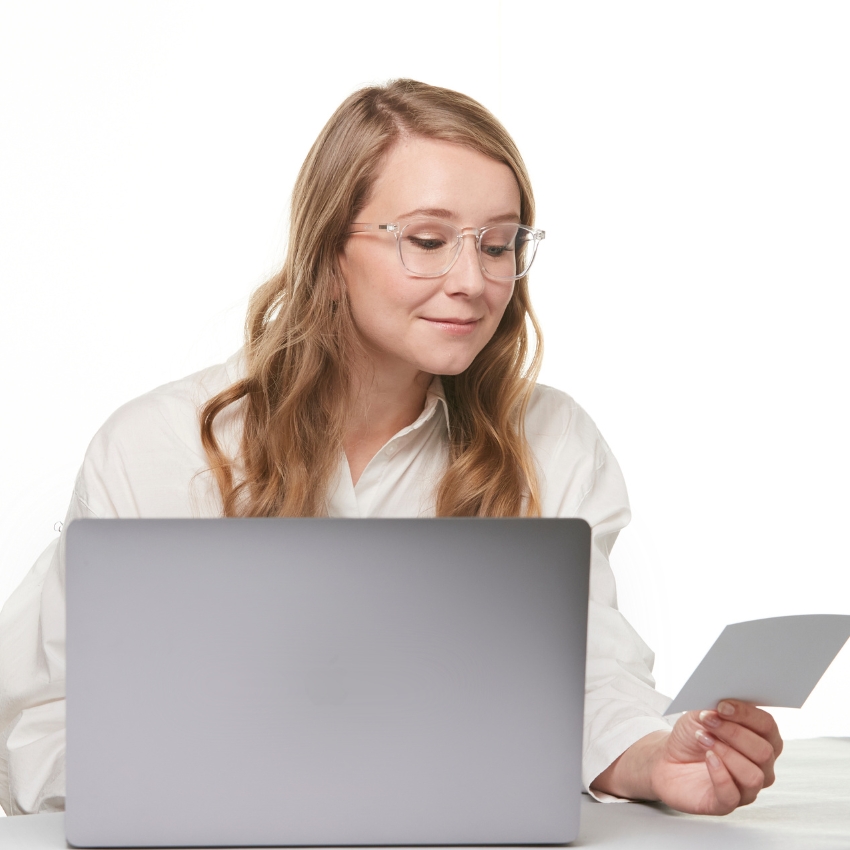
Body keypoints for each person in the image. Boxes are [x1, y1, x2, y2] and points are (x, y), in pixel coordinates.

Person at [0, 78, 782, 817]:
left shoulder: (553, 441)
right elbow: (45, 724)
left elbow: (587, 677)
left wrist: (653, 761)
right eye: (430, 239)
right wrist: (211, 783)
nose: (474, 281)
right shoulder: (154, 448)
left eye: (500, 246)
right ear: (330, 249)